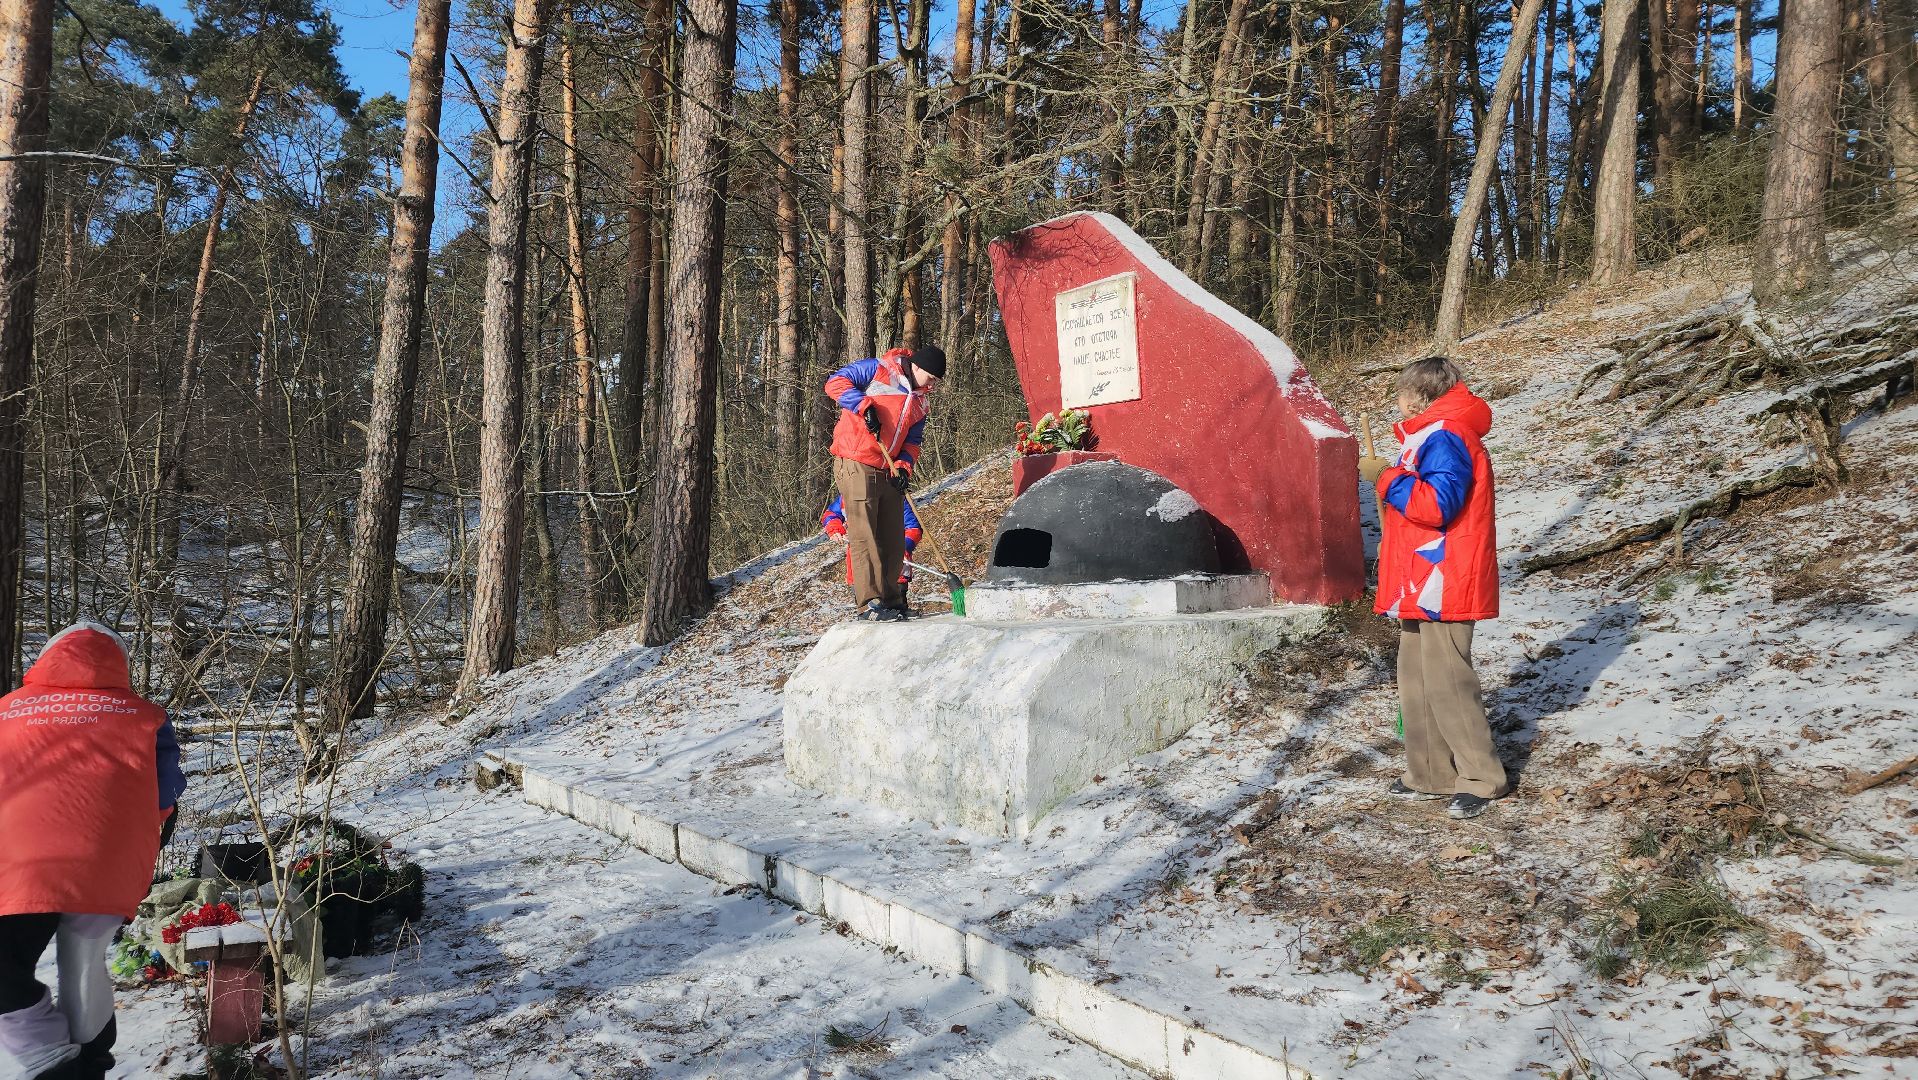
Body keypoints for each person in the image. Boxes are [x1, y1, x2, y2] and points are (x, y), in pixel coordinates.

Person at [0, 623, 185, 1079]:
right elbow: (166, 793)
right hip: (108, 860)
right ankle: (92, 1065)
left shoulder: (7, 710)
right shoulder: (145, 715)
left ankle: (47, 1059)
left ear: (44, 662)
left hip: (20, 862)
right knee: (82, 962)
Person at [1367, 357, 1507, 820]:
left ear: (1421, 395)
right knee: (1417, 680)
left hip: (1444, 577)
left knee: (1448, 681)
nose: (1397, 400)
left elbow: (1437, 505)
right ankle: (1430, 772)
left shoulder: (1446, 435)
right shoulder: (1426, 436)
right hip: (1418, 580)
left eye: (1402, 392)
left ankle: (1481, 777)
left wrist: (1385, 478)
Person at [823, 344, 945, 621]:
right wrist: (863, 405)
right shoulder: (878, 369)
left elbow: (913, 442)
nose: (934, 384)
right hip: (856, 459)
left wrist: (904, 466)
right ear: (918, 367)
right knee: (864, 533)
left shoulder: (920, 401)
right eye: (933, 378)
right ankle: (869, 603)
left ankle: (892, 599)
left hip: (888, 468)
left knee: (892, 534)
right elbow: (835, 382)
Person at [822, 494, 922, 592]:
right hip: (860, 570)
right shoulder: (847, 495)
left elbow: (913, 529)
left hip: (894, 572)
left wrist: (902, 548)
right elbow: (830, 514)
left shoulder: (894, 495)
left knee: (894, 605)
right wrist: (834, 528)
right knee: (866, 606)